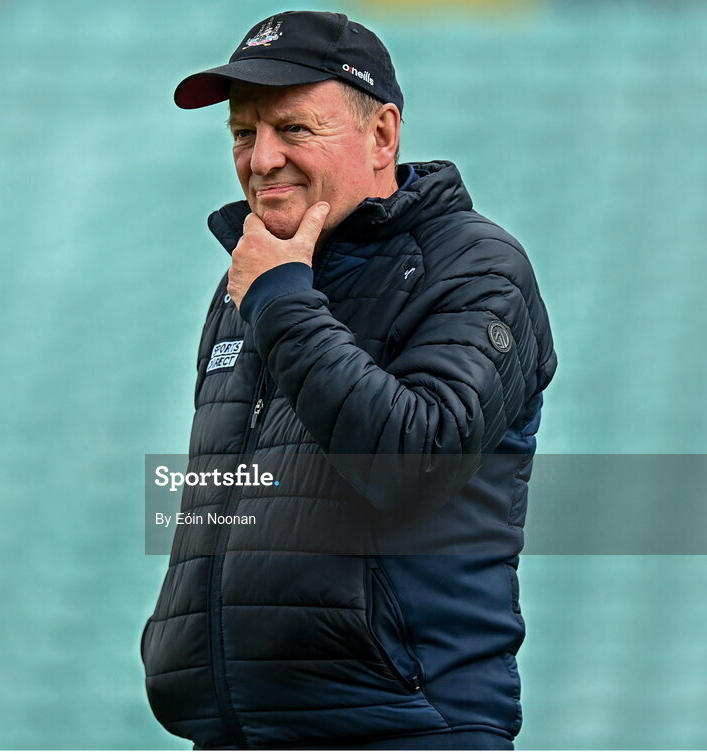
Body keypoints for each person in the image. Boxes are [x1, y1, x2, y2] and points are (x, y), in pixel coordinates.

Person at [141, 10, 557, 750]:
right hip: (240, 732)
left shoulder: (475, 268)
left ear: (383, 135)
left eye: (293, 128)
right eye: (243, 132)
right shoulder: (259, 279)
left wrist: (281, 301)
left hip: (406, 727)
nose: (261, 158)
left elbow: (414, 462)